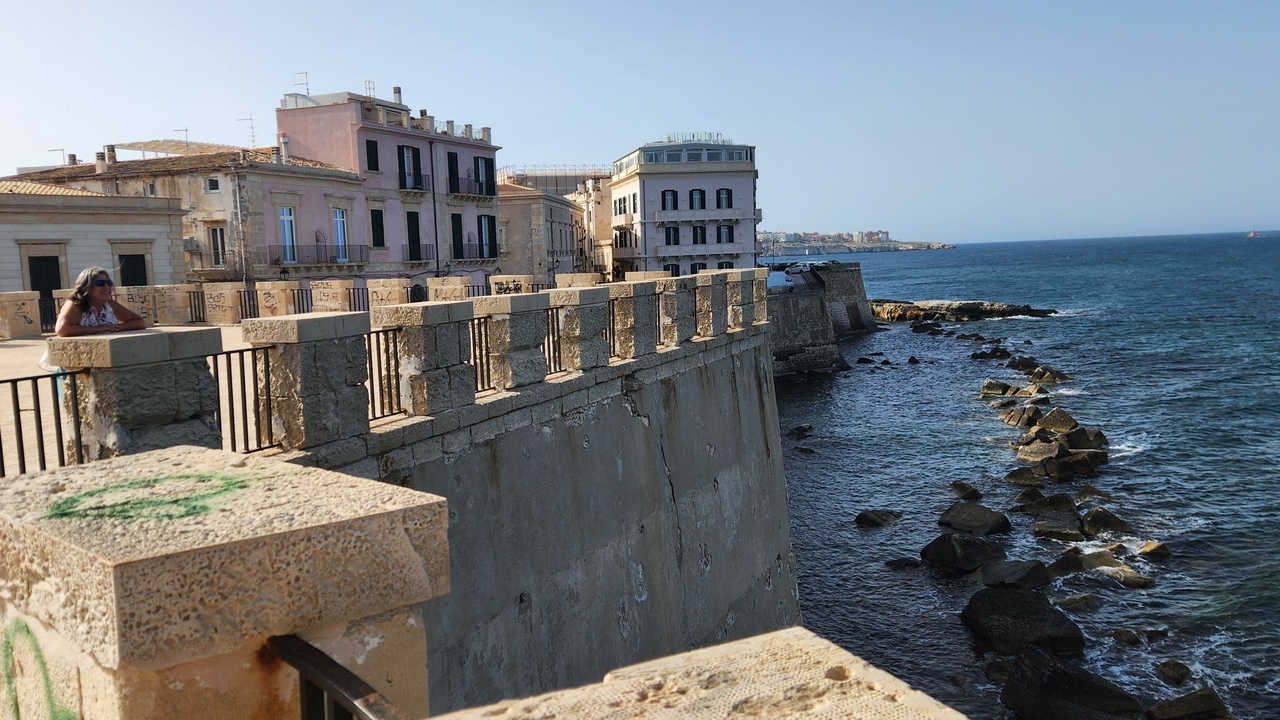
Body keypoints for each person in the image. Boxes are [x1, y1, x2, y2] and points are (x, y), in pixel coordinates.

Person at [54, 267, 146, 337]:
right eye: (100, 283)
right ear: (87, 287)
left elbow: (139, 322)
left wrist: (113, 328)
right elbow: (62, 329)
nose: (106, 287)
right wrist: (97, 329)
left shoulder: (108, 304)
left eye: (109, 283)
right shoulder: (75, 303)